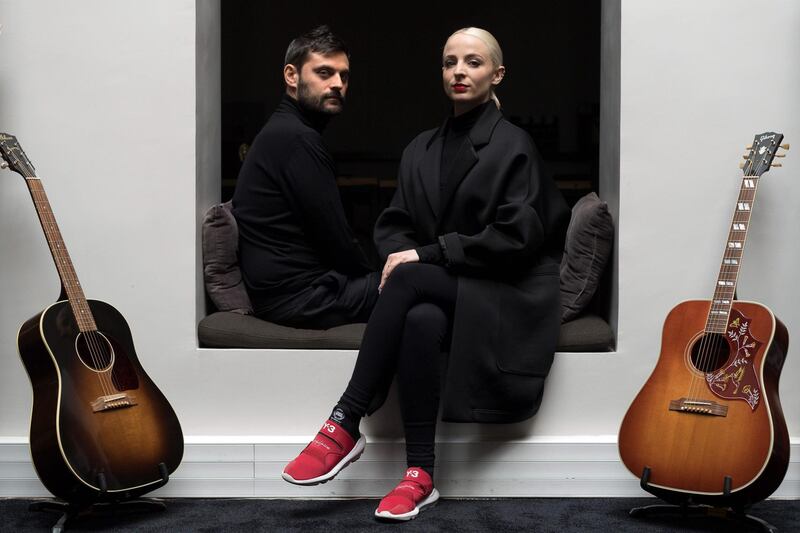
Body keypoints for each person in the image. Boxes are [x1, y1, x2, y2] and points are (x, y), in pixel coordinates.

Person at [282, 27, 570, 521]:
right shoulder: (421, 148)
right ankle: (421, 474)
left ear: (496, 74)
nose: (459, 71)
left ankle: (345, 419)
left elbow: (519, 238)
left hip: (507, 288)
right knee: (419, 320)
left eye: (473, 63)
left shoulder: (514, 145)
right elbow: (395, 225)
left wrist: (429, 253)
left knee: (410, 278)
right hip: (451, 288)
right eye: (449, 62)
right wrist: (410, 253)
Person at [232, 25, 378, 329]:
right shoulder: (296, 138)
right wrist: (376, 277)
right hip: (298, 299)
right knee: (418, 285)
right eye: (324, 73)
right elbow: (337, 237)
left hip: (291, 292)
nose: (338, 83)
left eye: (344, 75)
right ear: (291, 75)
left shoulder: (287, 130)